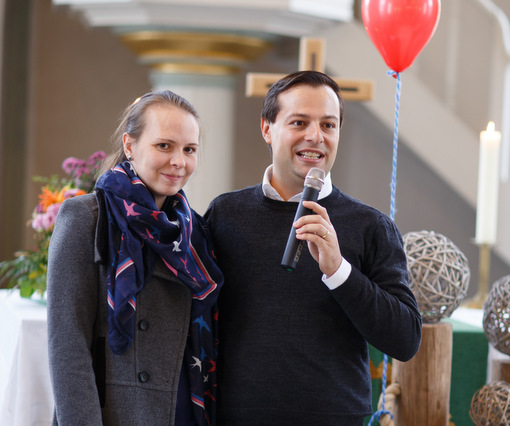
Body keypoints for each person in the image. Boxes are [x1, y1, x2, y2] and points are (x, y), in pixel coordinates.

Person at [205, 71, 422, 425]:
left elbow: (405, 340)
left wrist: (339, 271)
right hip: (238, 415)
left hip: (334, 417)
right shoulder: (225, 214)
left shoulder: (371, 226)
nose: (315, 137)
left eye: (328, 125)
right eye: (299, 122)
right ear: (266, 128)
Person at [47, 90, 223, 425]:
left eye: (189, 149)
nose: (179, 161)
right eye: (164, 146)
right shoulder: (88, 217)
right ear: (130, 145)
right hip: (115, 411)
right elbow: (67, 346)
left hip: (182, 408)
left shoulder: (194, 231)